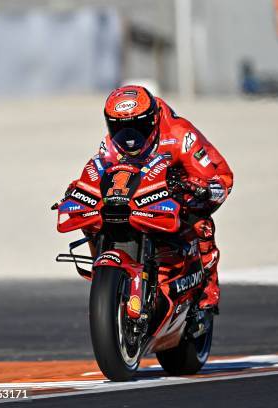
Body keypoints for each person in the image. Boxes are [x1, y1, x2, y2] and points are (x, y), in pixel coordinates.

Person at [71, 85, 233, 312]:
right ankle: (103, 270)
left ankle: (207, 286)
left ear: (153, 120)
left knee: (200, 223)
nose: (129, 138)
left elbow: (217, 180)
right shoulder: (110, 143)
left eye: (137, 127)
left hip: (188, 189)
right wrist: (79, 189)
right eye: (119, 128)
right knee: (93, 214)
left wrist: (196, 187)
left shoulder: (180, 135)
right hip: (141, 195)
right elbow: (100, 173)